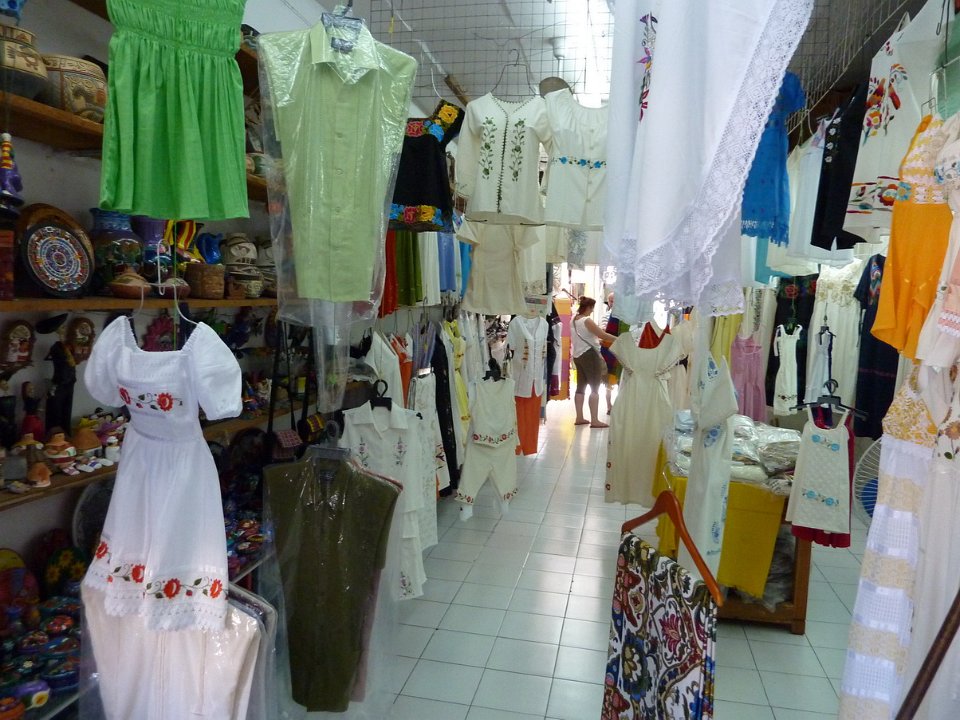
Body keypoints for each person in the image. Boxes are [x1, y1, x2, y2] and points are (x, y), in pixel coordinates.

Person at [572, 295, 617, 428]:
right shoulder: (586, 320)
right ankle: (595, 420)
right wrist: (618, 339)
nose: (592, 311)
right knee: (594, 388)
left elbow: (587, 336)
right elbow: (602, 334)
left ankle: (579, 417)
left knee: (580, 387)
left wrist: (598, 341)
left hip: (577, 355)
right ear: (589, 307)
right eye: (592, 308)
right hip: (590, 355)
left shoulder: (574, 319)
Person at [600, 292, 626, 414]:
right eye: (611, 301)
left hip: (618, 350)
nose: (613, 303)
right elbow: (603, 330)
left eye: (615, 300)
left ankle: (618, 405)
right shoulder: (608, 315)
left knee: (620, 380)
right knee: (609, 382)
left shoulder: (622, 315)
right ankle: (609, 406)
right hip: (610, 351)